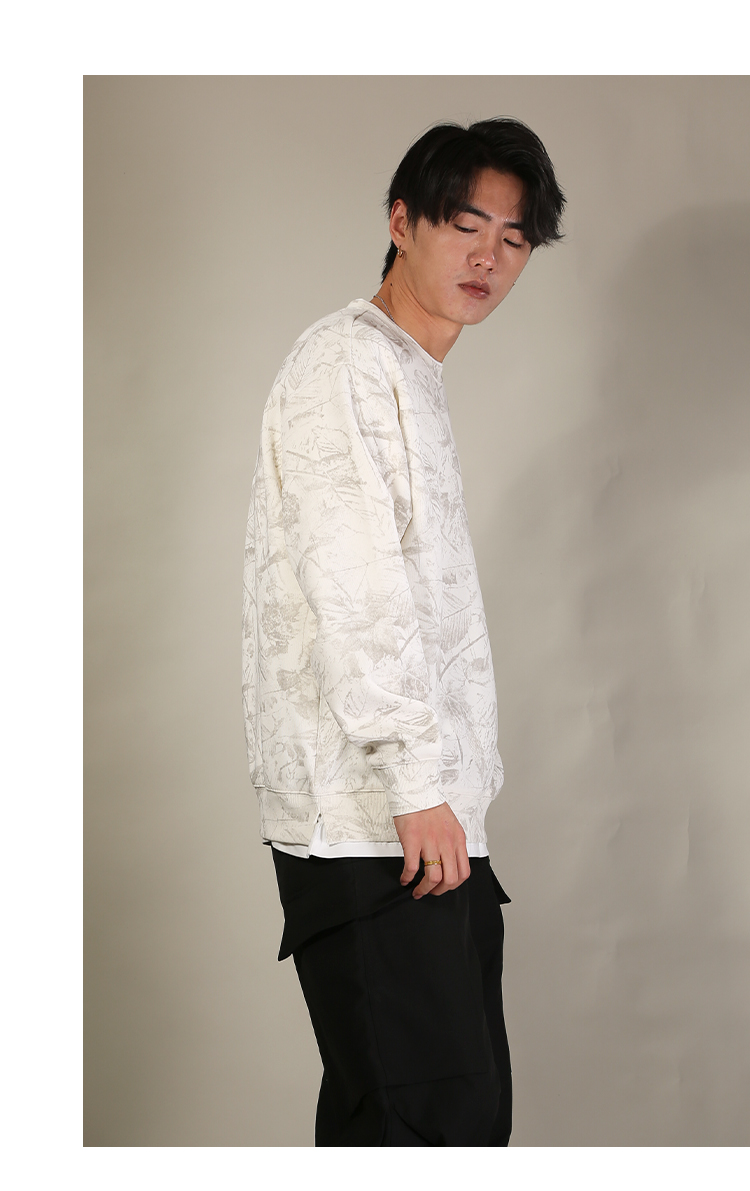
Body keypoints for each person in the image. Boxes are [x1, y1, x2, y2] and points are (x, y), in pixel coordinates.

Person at [242, 116, 565, 1146]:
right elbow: (358, 585)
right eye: (464, 225)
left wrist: (447, 798)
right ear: (400, 222)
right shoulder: (346, 363)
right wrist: (418, 782)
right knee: (424, 1126)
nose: (487, 257)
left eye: (513, 238)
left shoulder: (409, 372)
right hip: (375, 818)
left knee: (437, 1119)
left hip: (428, 821)